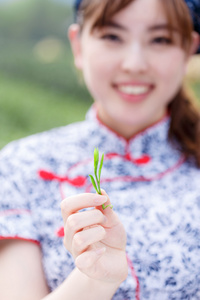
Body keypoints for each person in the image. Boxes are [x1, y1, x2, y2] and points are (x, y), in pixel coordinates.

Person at [0, 0, 200, 299]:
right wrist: (93, 281)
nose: (134, 64)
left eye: (160, 39)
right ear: (78, 45)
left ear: (188, 50)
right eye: (112, 36)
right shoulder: (23, 165)